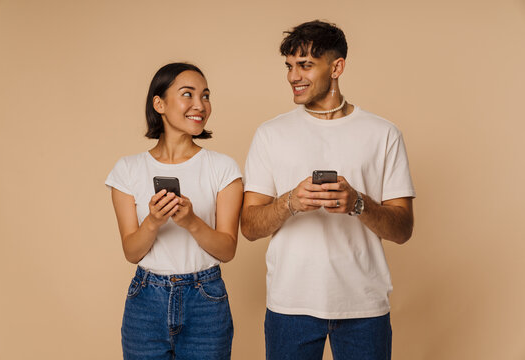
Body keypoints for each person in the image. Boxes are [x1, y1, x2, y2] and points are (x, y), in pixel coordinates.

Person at [241, 20, 416, 360]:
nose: (294, 76)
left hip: (364, 307)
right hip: (289, 306)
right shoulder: (270, 134)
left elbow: (403, 229)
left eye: (305, 65)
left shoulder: (383, 134)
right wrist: (290, 202)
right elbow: (248, 227)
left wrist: (358, 203)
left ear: (337, 67)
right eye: (289, 66)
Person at [105, 62, 243, 360]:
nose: (200, 105)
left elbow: (227, 249)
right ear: (159, 104)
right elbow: (132, 251)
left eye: (205, 96)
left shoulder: (223, 168)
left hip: (206, 300)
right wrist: (153, 221)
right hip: (145, 301)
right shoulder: (127, 169)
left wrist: (192, 222)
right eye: (187, 94)